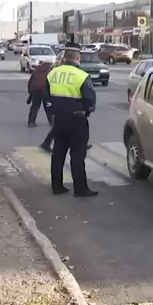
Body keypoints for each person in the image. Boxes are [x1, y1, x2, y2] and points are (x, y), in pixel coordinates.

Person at [44, 42, 98, 197]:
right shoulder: (81, 75)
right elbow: (90, 101)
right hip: (77, 121)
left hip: (59, 120)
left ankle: (57, 186)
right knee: (77, 155)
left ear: (64, 58)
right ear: (77, 58)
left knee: (58, 154)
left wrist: (52, 112)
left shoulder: (53, 73)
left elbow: (46, 96)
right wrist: (86, 111)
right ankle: (80, 189)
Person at [27, 61, 53, 127]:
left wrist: (30, 92)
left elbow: (30, 82)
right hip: (46, 90)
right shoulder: (51, 71)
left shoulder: (36, 71)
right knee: (48, 106)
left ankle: (31, 122)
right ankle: (52, 121)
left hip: (35, 90)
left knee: (35, 106)